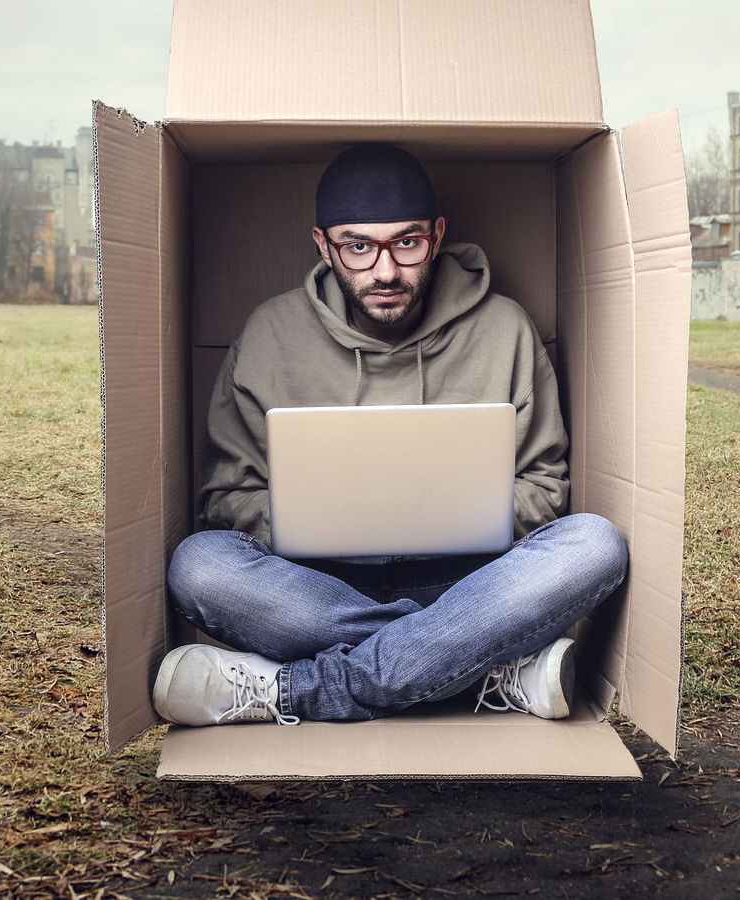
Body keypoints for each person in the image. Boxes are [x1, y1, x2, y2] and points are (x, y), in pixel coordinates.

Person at [151, 143, 630, 728]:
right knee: (199, 566)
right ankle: (474, 669)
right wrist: (332, 519)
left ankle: (297, 690)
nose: (385, 270)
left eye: (407, 242)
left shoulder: (505, 329)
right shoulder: (269, 334)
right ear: (323, 246)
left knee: (594, 545)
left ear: (437, 234)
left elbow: (546, 487)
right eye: (357, 246)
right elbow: (225, 501)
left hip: (471, 585)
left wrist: (451, 515)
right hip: (319, 593)